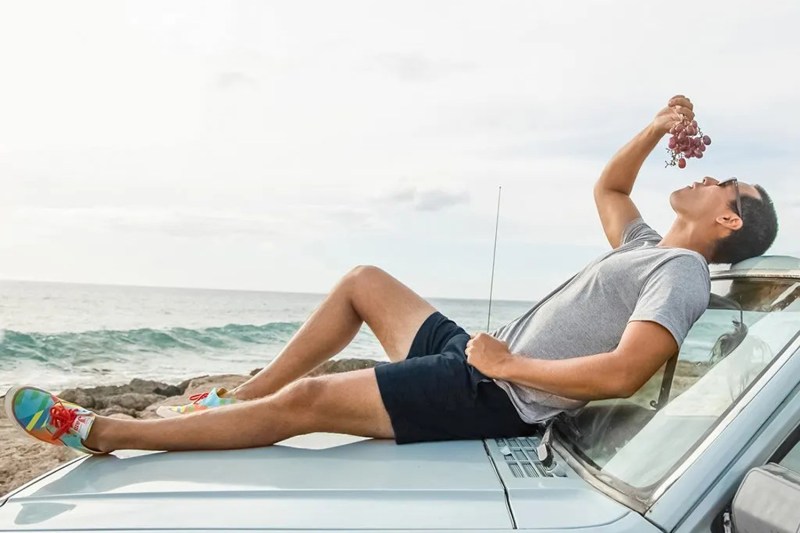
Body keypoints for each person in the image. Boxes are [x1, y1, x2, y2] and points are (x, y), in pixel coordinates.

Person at [5, 95, 779, 454]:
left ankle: (106, 432)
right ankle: (237, 394)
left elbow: (625, 369)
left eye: (727, 184)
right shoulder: (648, 245)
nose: (712, 177)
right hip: (479, 357)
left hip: (499, 392)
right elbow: (609, 189)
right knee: (363, 280)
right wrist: (652, 126)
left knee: (308, 402)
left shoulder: (679, 272)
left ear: (729, 221)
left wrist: (509, 364)